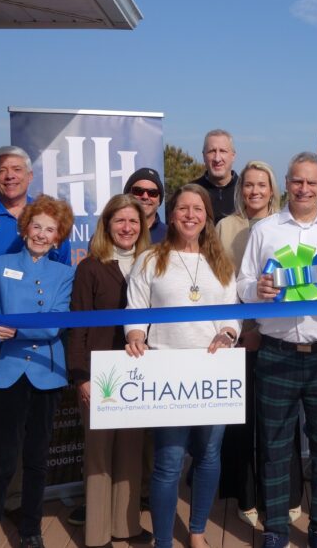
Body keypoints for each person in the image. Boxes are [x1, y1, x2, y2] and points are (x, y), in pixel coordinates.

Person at [238, 152, 317, 548]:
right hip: (276, 351)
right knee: (274, 446)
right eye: (297, 181)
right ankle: (275, 528)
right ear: (287, 184)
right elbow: (241, 285)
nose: (304, 189)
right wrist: (255, 289)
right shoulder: (265, 230)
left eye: (312, 182)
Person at [124, 184, 242, 548]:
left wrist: (228, 334)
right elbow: (136, 309)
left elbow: (231, 314)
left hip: (212, 370)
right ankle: (163, 540)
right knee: (168, 462)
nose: (191, 215)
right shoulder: (149, 259)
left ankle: (197, 531)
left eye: (198, 209)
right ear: (171, 215)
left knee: (208, 455)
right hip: (167, 370)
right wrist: (135, 335)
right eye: (183, 208)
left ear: (207, 217)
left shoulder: (220, 262)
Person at [0, 145, 71, 517]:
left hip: (34, 358)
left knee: (31, 446)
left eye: (17, 169)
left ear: (29, 175)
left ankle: (20, 504)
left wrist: (13, 328)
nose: (10, 176)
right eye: (3, 170)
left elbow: (56, 302)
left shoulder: (47, 217)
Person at [0, 195, 75, 548]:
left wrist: (14, 328)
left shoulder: (64, 274)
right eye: (36, 226)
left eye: (50, 229)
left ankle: (31, 531)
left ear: (58, 237)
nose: (42, 234)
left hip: (46, 373)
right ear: (24, 227)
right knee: (0, 461)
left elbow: (54, 326)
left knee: (37, 459)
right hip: (5, 372)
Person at [214, 160, 305, 527]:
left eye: (261, 185)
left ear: (272, 189)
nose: (254, 191)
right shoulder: (225, 226)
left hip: (276, 333)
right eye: (248, 185)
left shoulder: (283, 225)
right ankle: (246, 494)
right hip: (236, 333)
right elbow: (221, 283)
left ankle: (289, 493)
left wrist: (263, 329)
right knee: (242, 419)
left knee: (282, 422)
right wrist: (235, 330)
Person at [66, 195, 153, 546]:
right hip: (100, 372)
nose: (127, 228)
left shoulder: (152, 264)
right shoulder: (90, 267)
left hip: (138, 372)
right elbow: (78, 327)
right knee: (100, 455)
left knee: (131, 452)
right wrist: (81, 376)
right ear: (107, 226)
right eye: (120, 221)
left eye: (134, 221)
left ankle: (126, 525)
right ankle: (98, 533)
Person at [191, 129, 239, 222]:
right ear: (204, 156)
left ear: (233, 156)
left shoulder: (245, 192)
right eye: (212, 151)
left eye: (223, 151)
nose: (217, 158)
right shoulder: (191, 192)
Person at [123, 166, 167, 244]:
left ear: (159, 201)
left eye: (152, 192)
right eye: (138, 191)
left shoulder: (171, 236)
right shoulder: (109, 233)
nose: (145, 197)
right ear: (127, 195)